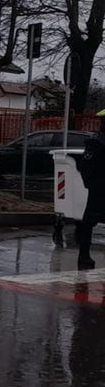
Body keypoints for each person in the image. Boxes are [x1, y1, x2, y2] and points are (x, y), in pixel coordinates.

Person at [76, 110, 105, 269]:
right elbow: (85, 166)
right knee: (88, 222)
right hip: (99, 189)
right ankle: (84, 256)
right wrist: (91, 184)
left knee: (89, 221)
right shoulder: (96, 143)